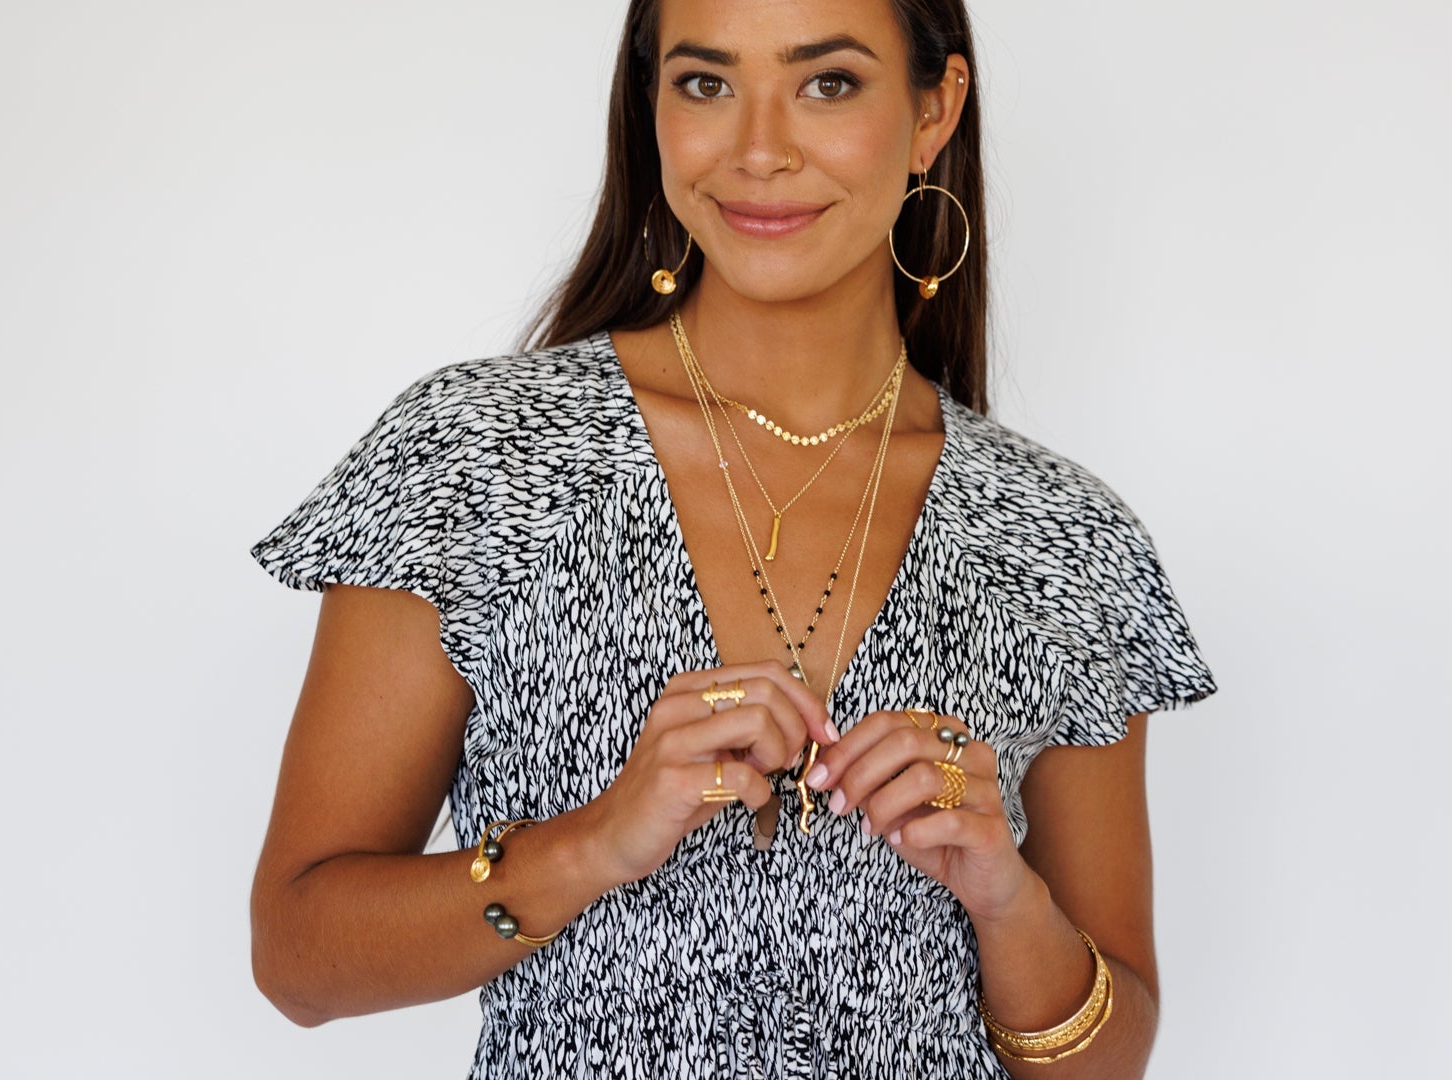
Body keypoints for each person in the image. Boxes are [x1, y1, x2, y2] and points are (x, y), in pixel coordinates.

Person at [246, 0, 1218, 1076]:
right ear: (651, 107)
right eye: (705, 83)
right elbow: (299, 958)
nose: (760, 149)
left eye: (828, 83)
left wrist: (1008, 899)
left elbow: (1109, 1059)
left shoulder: (1061, 538)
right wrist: (594, 844)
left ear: (933, 112)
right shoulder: (478, 458)